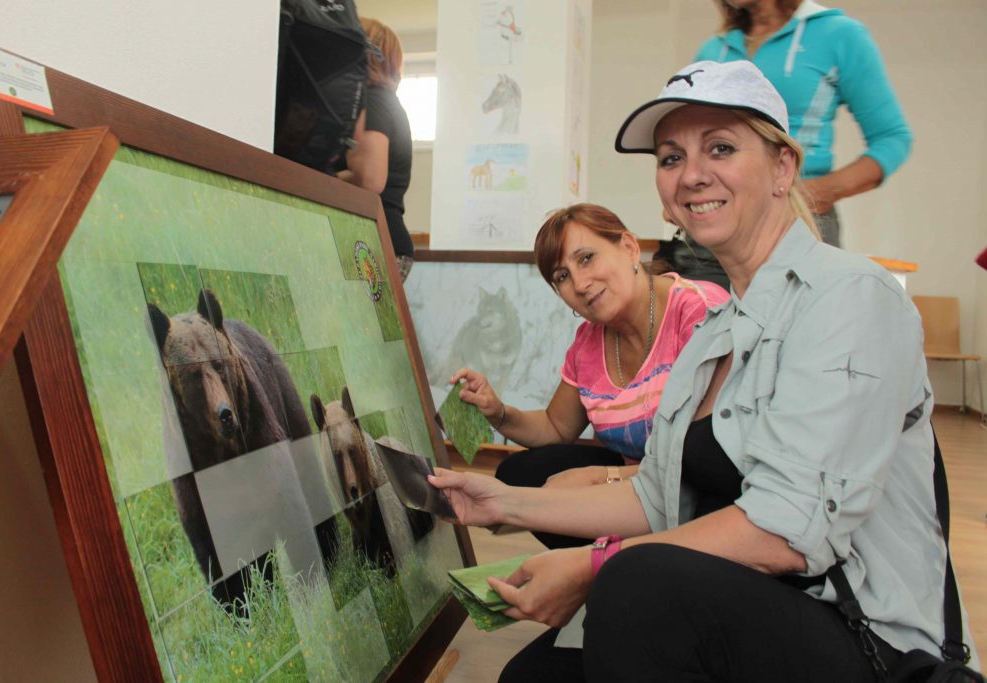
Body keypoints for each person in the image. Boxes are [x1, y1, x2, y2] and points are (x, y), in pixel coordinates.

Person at [431, 61, 979, 682]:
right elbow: (655, 494)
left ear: (782, 167)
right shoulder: (717, 333)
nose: (692, 175)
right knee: (531, 676)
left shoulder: (850, 295)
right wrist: (501, 500)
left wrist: (592, 568)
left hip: (869, 639)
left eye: (720, 148)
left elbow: (787, 531)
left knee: (636, 586)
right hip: (755, 600)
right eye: (670, 158)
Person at [451, 203, 728, 549]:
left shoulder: (699, 312)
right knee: (520, 475)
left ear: (628, 247)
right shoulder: (588, 341)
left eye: (586, 259)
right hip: (637, 480)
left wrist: (602, 477)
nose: (580, 284)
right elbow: (555, 427)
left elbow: (713, 458)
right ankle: (606, 563)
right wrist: (498, 411)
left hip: (704, 489)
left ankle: (619, 565)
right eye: (562, 277)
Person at [690, 0, 913, 249]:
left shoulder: (838, 35)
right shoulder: (713, 50)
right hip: (715, 221)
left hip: (797, 221)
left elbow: (892, 137)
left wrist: (820, 192)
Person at [337, 17, 416, 280]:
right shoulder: (389, 103)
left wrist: (320, 180)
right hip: (385, 239)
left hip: (375, 240)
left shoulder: (374, 102)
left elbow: (370, 179)